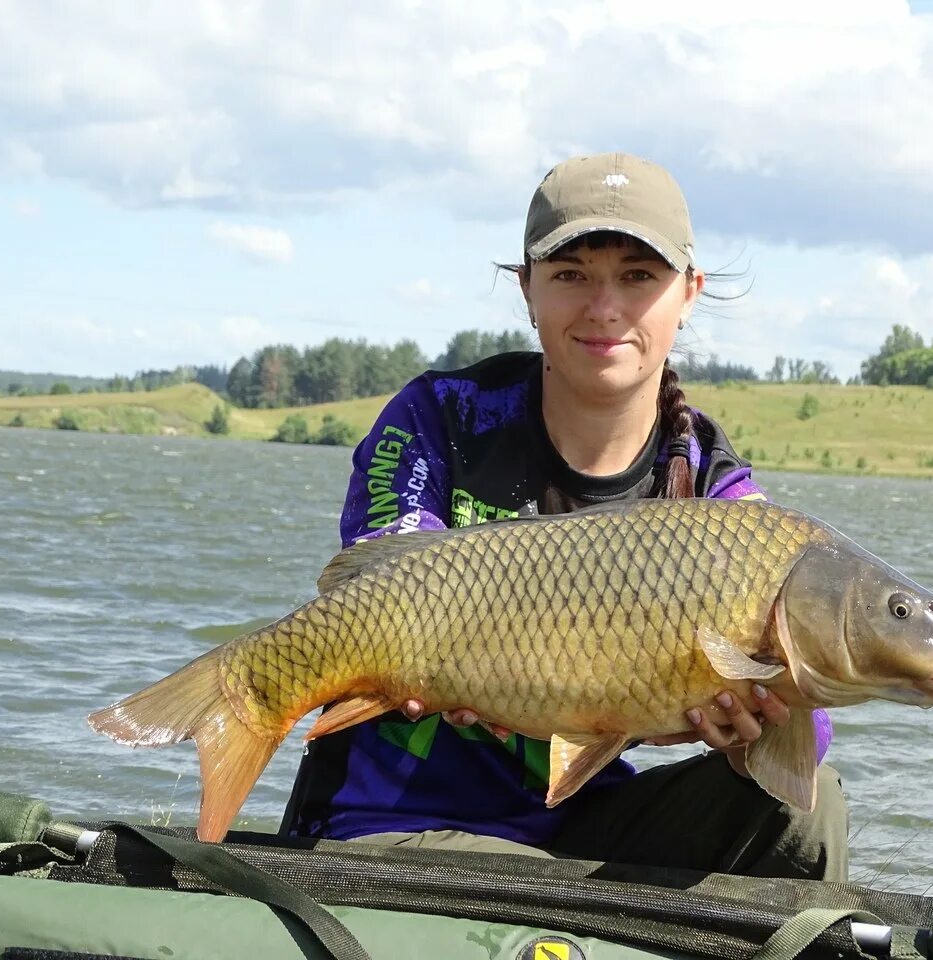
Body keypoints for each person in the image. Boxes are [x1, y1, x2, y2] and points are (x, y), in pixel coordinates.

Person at [281, 153, 849, 881]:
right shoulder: (441, 416)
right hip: (410, 823)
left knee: (807, 806)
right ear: (528, 288)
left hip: (590, 820)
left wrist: (749, 730)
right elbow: (385, 583)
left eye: (639, 277)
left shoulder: (710, 483)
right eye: (571, 274)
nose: (604, 307)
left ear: (689, 294)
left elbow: (815, 719)